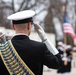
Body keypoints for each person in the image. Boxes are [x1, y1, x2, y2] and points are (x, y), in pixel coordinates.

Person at [0, 10, 62, 75]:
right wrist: (45, 39)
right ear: (29, 26)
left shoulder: (3, 48)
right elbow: (58, 63)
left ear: (13, 26)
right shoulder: (40, 47)